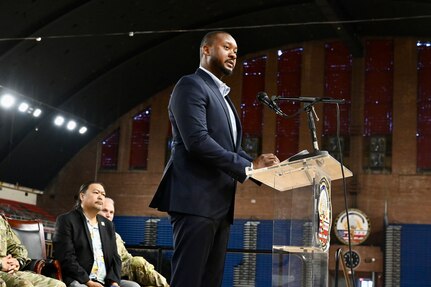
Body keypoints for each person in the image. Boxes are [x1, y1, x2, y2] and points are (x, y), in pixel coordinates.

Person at [149, 31, 280, 287]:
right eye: (227, 47)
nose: (233, 53)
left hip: (219, 205)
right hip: (195, 201)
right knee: (189, 280)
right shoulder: (190, 85)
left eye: (236, 50)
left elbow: (230, 147)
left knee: (211, 281)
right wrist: (247, 167)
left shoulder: (224, 97)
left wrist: (259, 169)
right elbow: (197, 142)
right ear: (206, 50)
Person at [53, 182, 140, 287]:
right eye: (96, 192)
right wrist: (88, 282)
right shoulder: (66, 220)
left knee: (133, 286)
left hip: (106, 281)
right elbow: (66, 257)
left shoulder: (108, 225)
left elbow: (115, 258)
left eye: (103, 194)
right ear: (82, 196)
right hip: (80, 280)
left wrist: (114, 282)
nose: (101, 197)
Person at [99, 198, 169, 287]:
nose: (108, 215)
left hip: (118, 271)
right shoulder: (91, 232)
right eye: (104, 211)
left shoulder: (115, 236)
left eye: (111, 212)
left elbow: (125, 257)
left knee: (138, 263)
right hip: (104, 273)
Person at [0, 214, 66, 287]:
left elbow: (16, 246)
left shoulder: (1, 221)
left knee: (58, 285)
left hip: (10, 270)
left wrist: (18, 261)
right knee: (24, 284)